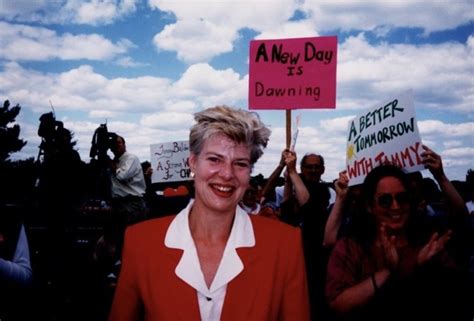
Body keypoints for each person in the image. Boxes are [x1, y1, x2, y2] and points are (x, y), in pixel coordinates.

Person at [109, 105, 310, 321]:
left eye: (240, 163)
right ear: (193, 162)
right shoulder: (141, 241)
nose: (226, 174)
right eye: (215, 159)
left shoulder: (285, 244)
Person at [325, 163, 471, 321]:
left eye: (402, 198)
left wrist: (429, 270)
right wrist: (386, 272)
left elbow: (458, 295)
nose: (396, 206)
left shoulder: (430, 242)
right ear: (369, 206)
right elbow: (338, 303)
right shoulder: (350, 246)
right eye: (385, 200)